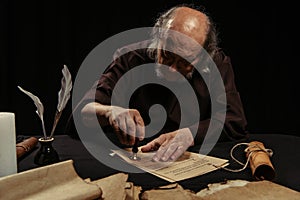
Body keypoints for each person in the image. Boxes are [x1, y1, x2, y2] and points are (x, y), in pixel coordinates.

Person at [75, 4, 248, 162]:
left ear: (203, 56)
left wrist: (190, 134)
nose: (172, 69)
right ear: (158, 36)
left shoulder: (216, 64)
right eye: (166, 55)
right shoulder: (129, 57)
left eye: (184, 62)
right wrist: (109, 112)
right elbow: (83, 111)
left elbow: (234, 120)